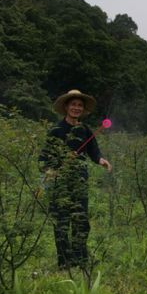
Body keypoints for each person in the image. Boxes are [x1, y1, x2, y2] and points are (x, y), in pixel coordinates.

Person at [39, 89, 112, 269]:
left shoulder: (85, 130)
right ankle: (64, 263)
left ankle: (80, 261)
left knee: (81, 221)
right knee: (62, 222)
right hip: (59, 184)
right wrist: (52, 168)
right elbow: (44, 158)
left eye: (80, 105)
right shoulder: (56, 130)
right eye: (73, 104)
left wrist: (102, 161)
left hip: (79, 182)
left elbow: (94, 152)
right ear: (66, 107)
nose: (76, 108)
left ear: (83, 109)